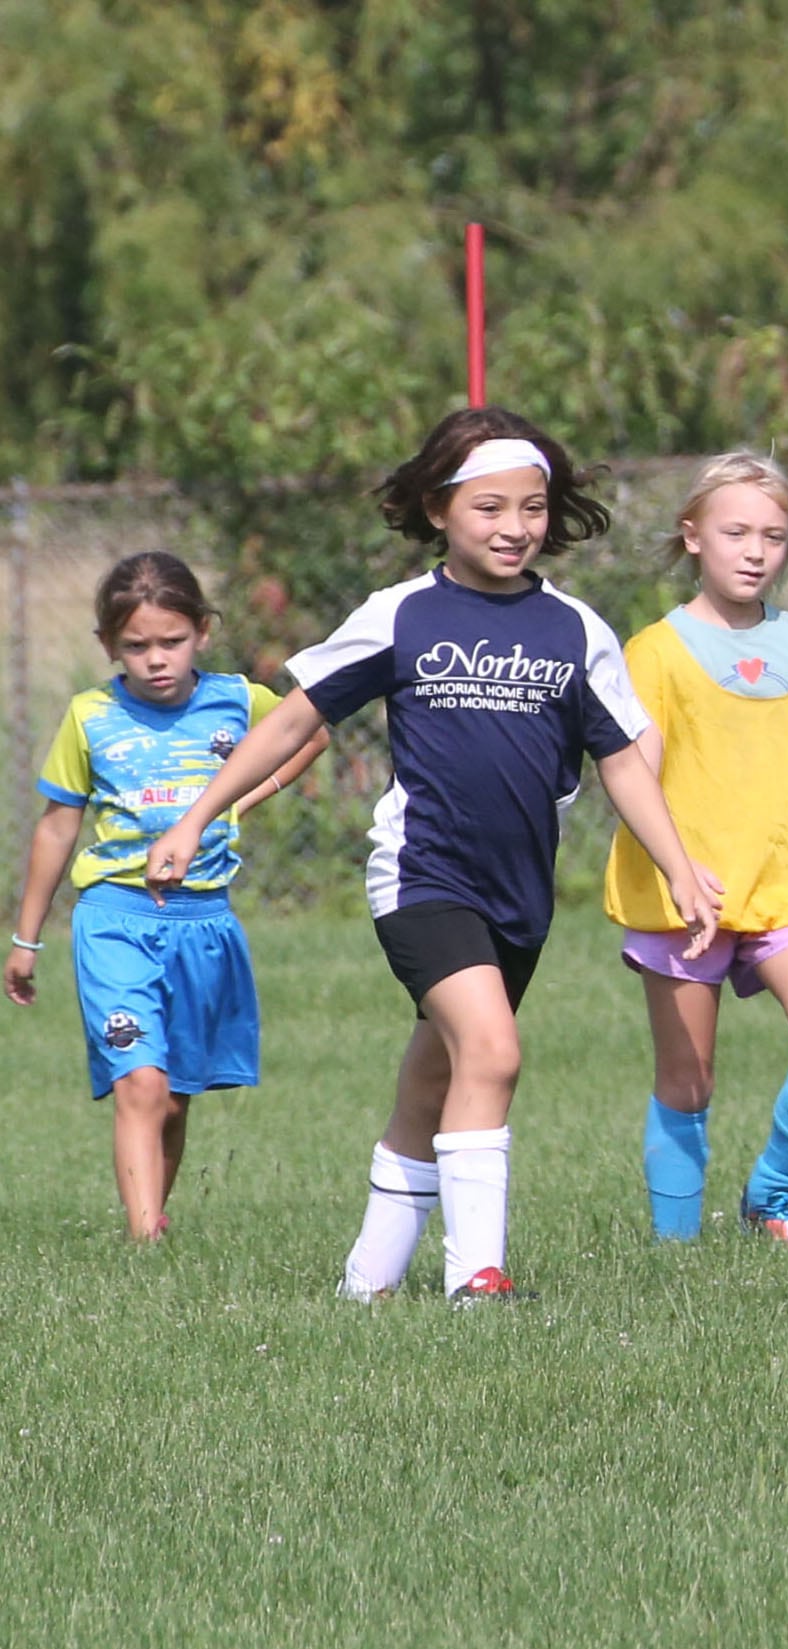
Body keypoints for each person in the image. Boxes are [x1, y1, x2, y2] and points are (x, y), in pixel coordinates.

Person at [145, 406, 721, 1303]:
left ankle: (365, 1283)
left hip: (519, 896)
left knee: (436, 1077)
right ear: (438, 507)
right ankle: (476, 1276)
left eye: (532, 508)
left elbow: (622, 761)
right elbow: (298, 717)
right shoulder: (400, 615)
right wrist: (194, 819)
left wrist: (681, 866)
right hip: (422, 878)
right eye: (490, 507)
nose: (515, 527)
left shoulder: (576, 630)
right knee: (492, 1051)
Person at [5, 553, 326, 1240]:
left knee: (175, 1100)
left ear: (203, 632)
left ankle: (154, 1218)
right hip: (113, 918)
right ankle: (145, 1237)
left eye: (171, 642)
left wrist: (248, 796)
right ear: (108, 646)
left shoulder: (238, 700)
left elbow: (314, 730)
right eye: (136, 646)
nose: (156, 659)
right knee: (140, 1084)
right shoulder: (89, 716)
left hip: (203, 921)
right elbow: (58, 825)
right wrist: (25, 939)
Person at [610, 452, 788, 1246]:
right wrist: (678, 871)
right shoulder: (657, 650)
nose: (756, 550)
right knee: (688, 1080)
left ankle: (773, 1193)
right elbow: (636, 776)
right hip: (688, 895)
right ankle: (676, 1248)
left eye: (774, 534)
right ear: (692, 536)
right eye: (735, 531)